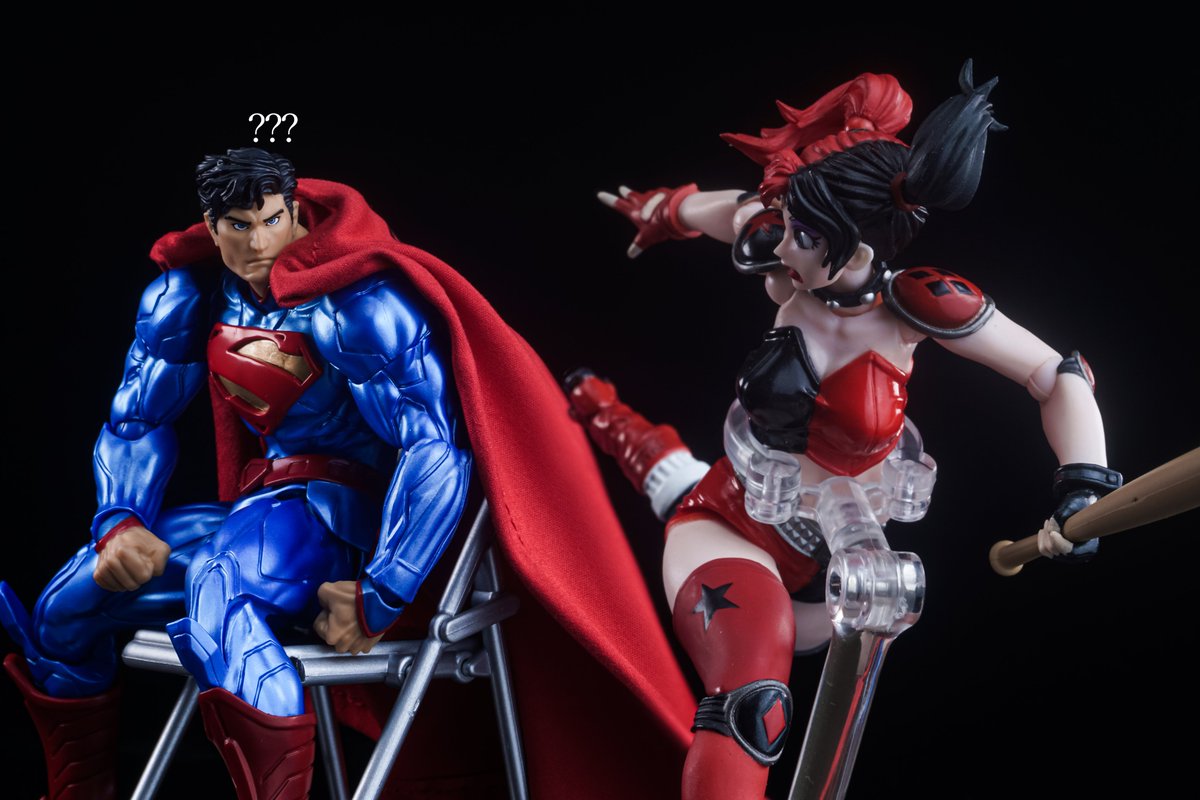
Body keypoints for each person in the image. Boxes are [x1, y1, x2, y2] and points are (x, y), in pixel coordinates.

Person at [1, 148, 697, 800]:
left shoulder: (355, 304)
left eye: (271, 219)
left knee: (218, 589)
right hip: (259, 508)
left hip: (346, 518)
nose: (258, 241)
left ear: (293, 212)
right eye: (237, 226)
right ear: (211, 228)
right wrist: (120, 519)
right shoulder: (189, 297)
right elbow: (135, 421)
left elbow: (433, 447)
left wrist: (386, 587)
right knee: (65, 605)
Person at [575, 62, 1123, 800]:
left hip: (832, 566)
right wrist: (662, 210)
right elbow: (729, 211)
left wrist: (1083, 481)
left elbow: (1056, 374)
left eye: (802, 234)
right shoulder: (786, 253)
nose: (780, 247)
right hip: (731, 522)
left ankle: (609, 417)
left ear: (858, 248)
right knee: (753, 703)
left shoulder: (918, 310)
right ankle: (600, 411)